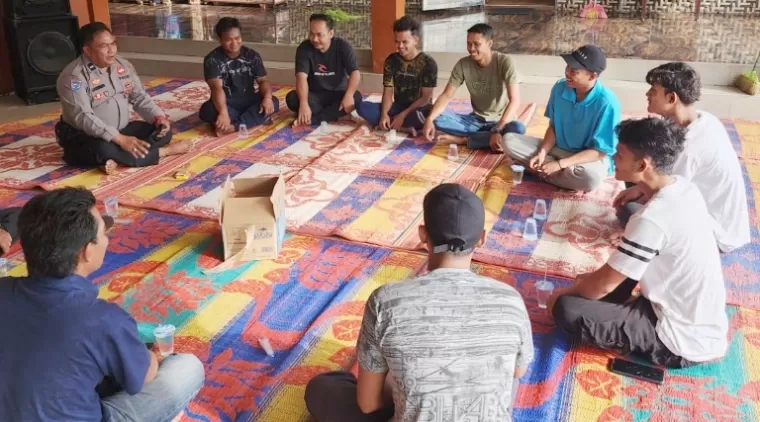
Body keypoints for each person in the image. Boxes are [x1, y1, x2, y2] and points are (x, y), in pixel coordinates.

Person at [305, 183, 534, 422]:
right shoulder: (511, 300)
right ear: (482, 238)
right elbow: (517, 371)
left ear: (423, 234)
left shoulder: (386, 301)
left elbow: (368, 405)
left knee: (325, 387)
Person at [0, 187, 205, 421]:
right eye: (103, 234)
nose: (107, 240)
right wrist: (146, 356)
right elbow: (143, 377)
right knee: (186, 368)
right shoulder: (103, 319)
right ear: (87, 251)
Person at [549, 118, 728, 369]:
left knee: (566, 308)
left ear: (643, 165)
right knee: (597, 277)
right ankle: (620, 302)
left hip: (678, 339)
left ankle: (641, 333)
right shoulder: (685, 188)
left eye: (620, 155)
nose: (613, 158)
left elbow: (601, 285)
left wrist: (557, 296)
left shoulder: (651, 220)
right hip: (697, 318)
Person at [614, 62, 750, 253]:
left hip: (715, 232)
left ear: (671, 98)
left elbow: (670, 198)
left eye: (653, 90)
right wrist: (638, 189)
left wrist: (640, 214)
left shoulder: (689, 149)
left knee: (630, 211)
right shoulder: (704, 118)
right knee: (634, 166)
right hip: (696, 201)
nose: (647, 95)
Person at [55, 22, 191, 174]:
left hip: (121, 129)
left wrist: (158, 118)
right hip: (84, 135)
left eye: (113, 43)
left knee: (162, 131)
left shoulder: (123, 65)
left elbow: (139, 97)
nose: (111, 50)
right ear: (87, 50)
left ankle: (116, 157)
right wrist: (120, 139)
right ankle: (162, 152)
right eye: (103, 46)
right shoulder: (74, 77)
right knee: (102, 148)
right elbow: (82, 117)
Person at [503, 45, 621, 192]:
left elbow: (600, 152)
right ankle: (553, 172)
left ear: (592, 76)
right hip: (558, 149)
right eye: (567, 67)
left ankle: (541, 171)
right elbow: (553, 127)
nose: (567, 73)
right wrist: (542, 153)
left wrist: (560, 164)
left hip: (588, 159)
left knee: (591, 179)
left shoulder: (607, 104)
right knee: (509, 141)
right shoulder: (560, 88)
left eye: (574, 71)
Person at [422, 23, 525, 149]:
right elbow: (447, 95)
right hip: (475, 121)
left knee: (518, 129)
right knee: (436, 116)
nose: (471, 48)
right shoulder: (463, 64)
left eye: (477, 44)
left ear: (489, 44)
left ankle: (463, 140)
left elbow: (515, 100)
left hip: (501, 121)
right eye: (468, 43)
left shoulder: (504, 62)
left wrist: (498, 129)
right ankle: (488, 138)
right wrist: (430, 119)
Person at [199, 17, 279, 135]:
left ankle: (233, 127)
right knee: (207, 111)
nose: (234, 43)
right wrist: (223, 112)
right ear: (220, 40)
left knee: (273, 101)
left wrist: (267, 98)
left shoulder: (252, 55)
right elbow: (217, 89)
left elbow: (263, 81)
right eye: (228, 40)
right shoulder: (212, 60)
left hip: (248, 99)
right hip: (227, 103)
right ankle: (253, 119)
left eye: (237, 38)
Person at [356, 16, 437, 132]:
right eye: (397, 42)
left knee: (429, 116)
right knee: (362, 107)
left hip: (418, 109)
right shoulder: (391, 61)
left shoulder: (429, 63)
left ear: (416, 40)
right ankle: (402, 126)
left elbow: (425, 98)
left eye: (404, 42)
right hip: (398, 106)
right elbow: (388, 91)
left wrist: (403, 115)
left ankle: (398, 124)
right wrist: (384, 114)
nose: (400, 46)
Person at [286, 13, 363, 126]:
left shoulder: (343, 47)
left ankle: (314, 119)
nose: (315, 39)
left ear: (331, 33)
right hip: (314, 95)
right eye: (311, 34)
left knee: (356, 97)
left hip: (337, 94)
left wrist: (349, 94)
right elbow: (301, 77)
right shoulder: (304, 49)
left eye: (319, 35)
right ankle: (335, 114)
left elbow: (355, 73)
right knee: (292, 98)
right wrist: (303, 103)